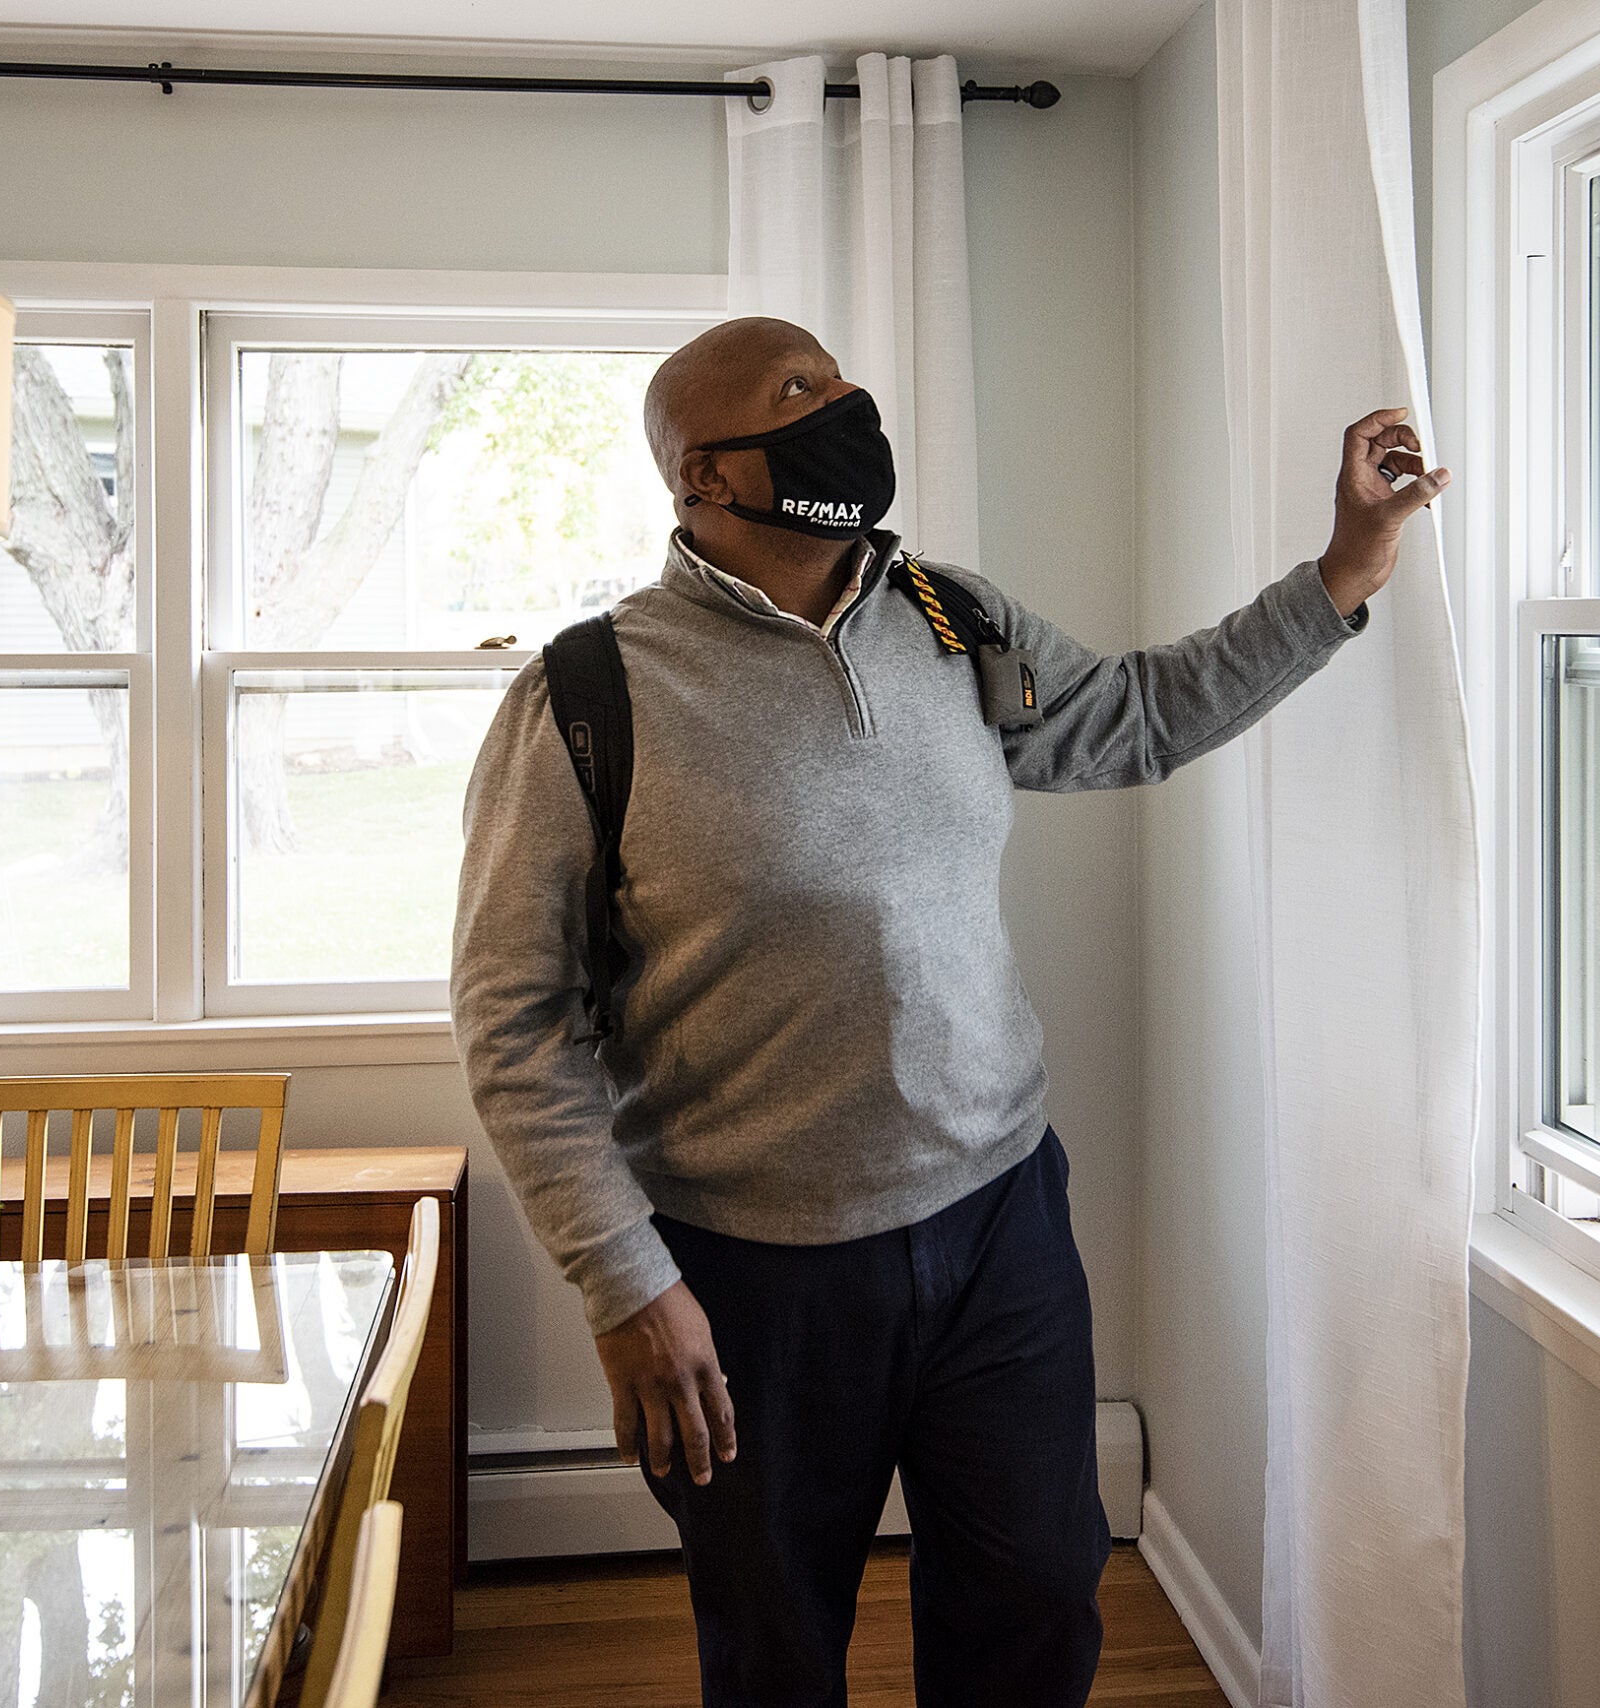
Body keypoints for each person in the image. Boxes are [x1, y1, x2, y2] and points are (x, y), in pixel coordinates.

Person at [450, 316, 1447, 1708]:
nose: (844, 404)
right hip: (748, 1279)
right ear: (704, 479)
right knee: (777, 1645)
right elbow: (516, 1022)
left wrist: (1349, 566)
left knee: (1036, 1601)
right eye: (799, 393)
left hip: (999, 1228)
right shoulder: (587, 697)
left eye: (842, 380)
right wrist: (625, 1284)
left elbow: (1136, 715)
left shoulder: (950, 616)